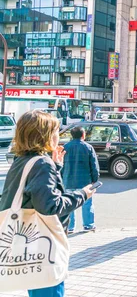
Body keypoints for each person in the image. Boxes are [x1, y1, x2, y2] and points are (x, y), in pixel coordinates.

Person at [0, 110, 95, 297]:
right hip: (43, 248)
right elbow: (50, 206)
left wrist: (56, 167)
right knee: (49, 288)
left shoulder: (22, 160)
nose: (58, 136)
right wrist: (82, 194)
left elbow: (33, 192)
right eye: (56, 132)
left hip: (27, 245)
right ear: (45, 135)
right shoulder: (42, 163)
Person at [62, 126, 100, 234]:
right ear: (83, 135)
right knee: (87, 204)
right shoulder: (88, 147)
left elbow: (61, 165)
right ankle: (88, 225)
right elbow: (94, 166)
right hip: (85, 181)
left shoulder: (65, 147)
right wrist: (95, 180)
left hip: (67, 180)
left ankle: (69, 227)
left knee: (69, 205)